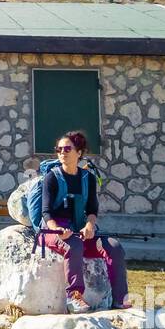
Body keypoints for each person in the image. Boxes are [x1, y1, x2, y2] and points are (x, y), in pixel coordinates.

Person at [39, 130, 130, 314]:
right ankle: (74, 297)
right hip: (52, 231)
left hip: (80, 229)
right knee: (74, 245)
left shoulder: (87, 178)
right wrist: (58, 229)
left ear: (79, 153)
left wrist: (89, 226)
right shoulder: (52, 178)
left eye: (67, 148)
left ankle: (120, 299)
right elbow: (46, 212)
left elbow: (92, 210)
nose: (62, 153)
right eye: (59, 149)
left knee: (114, 246)